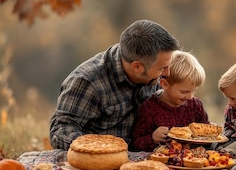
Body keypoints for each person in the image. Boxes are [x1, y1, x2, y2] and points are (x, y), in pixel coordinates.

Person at [49, 19, 180, 150]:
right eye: (162, 68)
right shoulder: (88, 81)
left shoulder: (153, 73)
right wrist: (100, 149)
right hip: (100, 163)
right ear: (137, 67)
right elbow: (61, 130)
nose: (167, 73)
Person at [130, 50, 210, 151]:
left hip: (193, 159)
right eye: (184, 92)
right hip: (160, 161)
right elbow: (135, 144)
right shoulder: (149, 109)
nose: (190, 97)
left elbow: (207, 136)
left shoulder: (195, 105)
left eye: (193, 91)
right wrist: (152, 138)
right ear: (165, 84)